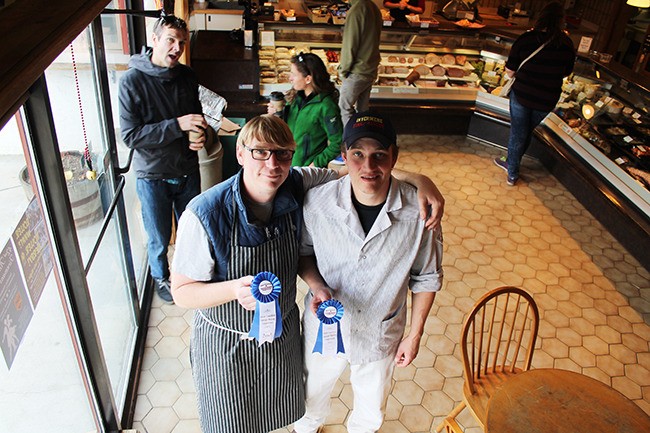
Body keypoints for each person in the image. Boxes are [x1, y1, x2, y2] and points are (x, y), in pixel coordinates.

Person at [169, 115, 444, 433]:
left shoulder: (296, 184)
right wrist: (234, 289)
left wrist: (421, 179)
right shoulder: (206, 213)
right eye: (260, 152)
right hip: (227, 339)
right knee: (232, 417)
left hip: (284, 333)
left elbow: (360, 171)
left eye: (282, 153)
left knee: (284, 406)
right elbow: (182, 292)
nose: (272, 164)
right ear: (240, 153)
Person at [293, 112, 443, 433]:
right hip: (324, 326)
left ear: (394, 157)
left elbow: (426, 277)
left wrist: (414, 335)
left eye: (379, 155)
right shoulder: (316, 201)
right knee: (311, 392)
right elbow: (304, 254)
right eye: (358, 154)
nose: (369, 166)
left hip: (380, 332)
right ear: (344, 156)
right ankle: (308, 427)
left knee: (371, 408)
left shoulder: (419, 213)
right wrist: (317, 286)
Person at [118, 14, 208, 304]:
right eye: (170, 40)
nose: (176, 47)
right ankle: (161, 277)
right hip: (152, 175)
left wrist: (199, 135)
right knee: (158, 236)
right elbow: (131, 136)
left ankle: (190, 275)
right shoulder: (131, 81)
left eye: (181, 42)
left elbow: (195, 117)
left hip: (187, 169)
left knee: (191, 230)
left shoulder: (187, 76)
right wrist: (178, 125)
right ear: (154, 39)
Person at [494, 1, 575, 186]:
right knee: (526, 131)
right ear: (562, 20)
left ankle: (512, 171)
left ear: (541, 17)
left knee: (518, 132)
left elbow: (510, 71)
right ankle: (513, 161)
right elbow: (566, 72)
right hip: (547, 98)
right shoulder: (566, 43)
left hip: (523, 95)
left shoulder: (527, 39)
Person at [268, 52, 343, 167]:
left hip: (306, 172)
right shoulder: (294, 98)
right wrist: (276, 115)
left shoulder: (326, 106)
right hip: (287, 165)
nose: (290, 78)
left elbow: (337, 143)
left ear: (308, 79)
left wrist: (315, 165)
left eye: (294, 74)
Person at [338, 0, 382, 127]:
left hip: (357, 70)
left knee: (344, 108)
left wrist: (343, 70)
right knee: (363, 111)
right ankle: (363, 136)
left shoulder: (357, 10)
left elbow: (350, 45)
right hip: (370, 68)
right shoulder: (374, 7)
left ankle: (351, 142)